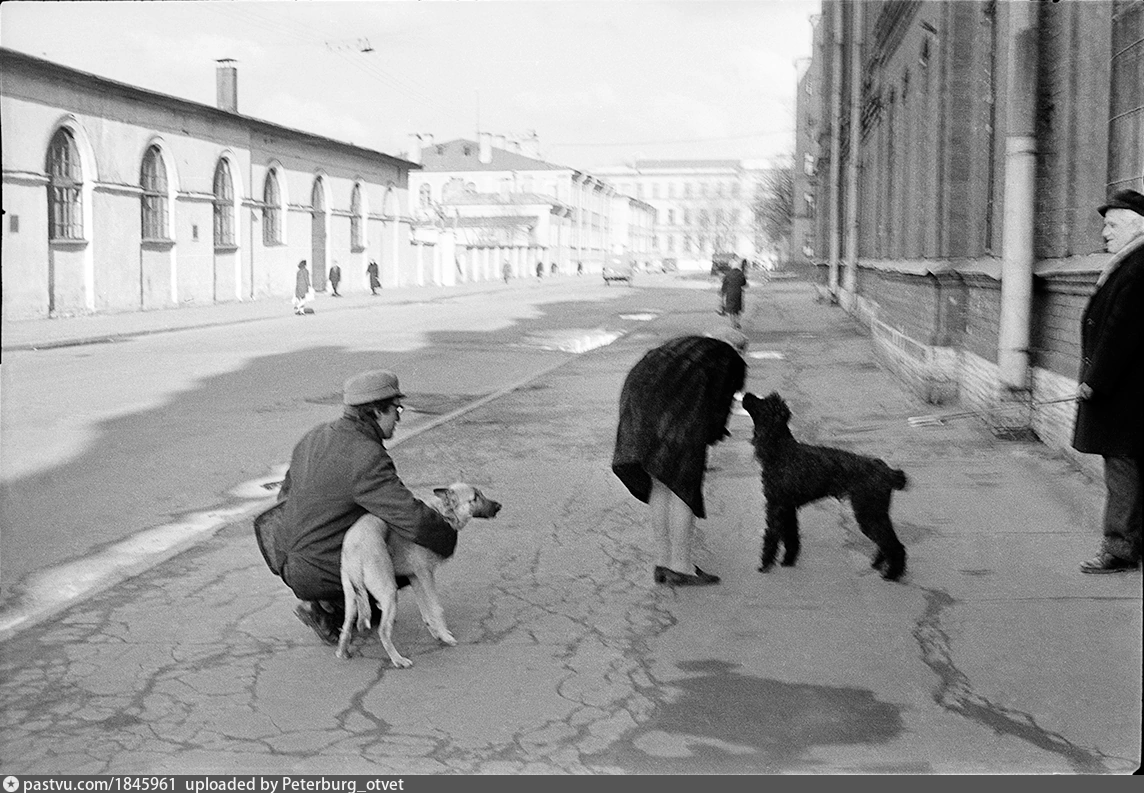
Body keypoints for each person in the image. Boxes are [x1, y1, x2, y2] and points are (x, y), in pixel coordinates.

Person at [269, 369, 457, 644]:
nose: (399, 418)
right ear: (377, 412)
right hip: (319, 569)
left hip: (284, 559)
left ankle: (332, 603)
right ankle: (328, 608)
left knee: (367, 528)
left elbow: (284, 499)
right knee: (408, 549)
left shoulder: (314, 436)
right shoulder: (366, 456)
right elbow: (410, 517)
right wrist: (448, 536)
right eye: (397, 409)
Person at [612, 333, 747, 586]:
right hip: (673, 410)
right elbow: (719, 407)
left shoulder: (688, 344)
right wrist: (711, 435)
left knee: (660, 481)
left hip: (637, 399)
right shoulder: (728, 358)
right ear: (739, 348)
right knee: (683, 486)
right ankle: (682, 565)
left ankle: (663, 562)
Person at [1072, 188, 1144, 574]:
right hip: (1129, 390)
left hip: (1124, 392)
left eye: (1112, 225)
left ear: (1137, 225)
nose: (1104, 233)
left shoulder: (1138, 264)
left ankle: (1119, 549)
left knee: (1122, 466)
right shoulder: (1131, 261)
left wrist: (1094, 381)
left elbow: (1121, 331)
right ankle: (1131, 543)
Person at [720, 258, 749, 329]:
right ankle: (737, 322)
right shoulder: (741, 274)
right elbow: (744, 284)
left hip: (730, 293)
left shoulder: (728, 274)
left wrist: (722, 293)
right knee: (737, 308)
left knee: (731, 309)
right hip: (738, 293)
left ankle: (733, 323)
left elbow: (724, 284)